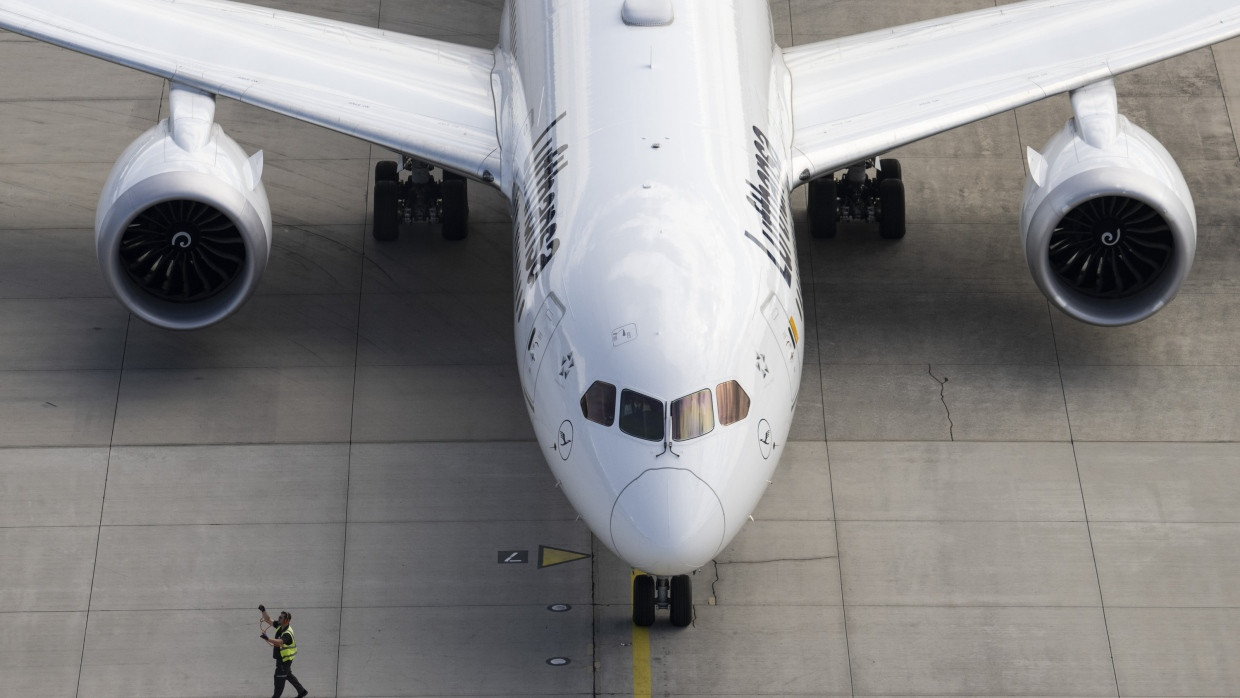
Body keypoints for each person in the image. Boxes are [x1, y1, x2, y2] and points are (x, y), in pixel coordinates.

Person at [259, 605, 308, 698]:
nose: (279, 618)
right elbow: (268, 619)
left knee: (279, 681)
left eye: (281, 617)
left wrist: (268, 638)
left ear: (286, 620)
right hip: (282, 658)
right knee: (288, 674)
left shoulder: (287, 633)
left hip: (284, 661)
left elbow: (280, 642)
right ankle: (302, 691)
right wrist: (263, 610)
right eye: (279, 617)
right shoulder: (280, 625)